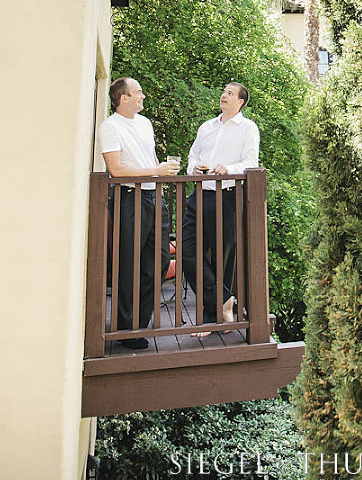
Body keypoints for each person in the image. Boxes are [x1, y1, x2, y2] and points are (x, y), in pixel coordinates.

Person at [99, 77, 179, 350]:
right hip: (129, 199)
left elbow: (151, 161)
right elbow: (117, 170)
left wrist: (160, 173)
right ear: (124, 98)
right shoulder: (110, 127)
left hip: (154, 197)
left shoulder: (145, 124)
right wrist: (155, 172)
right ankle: (125, 330)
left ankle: (138, 324)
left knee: (157, 262)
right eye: (138, 93)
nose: (143, 96)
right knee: (129, 264)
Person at [182, 83, 259, 332]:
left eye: (230, 93)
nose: (224, 95)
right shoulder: (207, 127)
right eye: (223, 91)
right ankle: (224, 299)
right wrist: (192, 168)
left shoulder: (248, 129)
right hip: (199, 195)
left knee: (222, 258)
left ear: (241, 102)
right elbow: (193, 156)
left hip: (227, 196)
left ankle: (213, 320)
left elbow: (250, 163)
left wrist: (229, 168)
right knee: (186, 251)